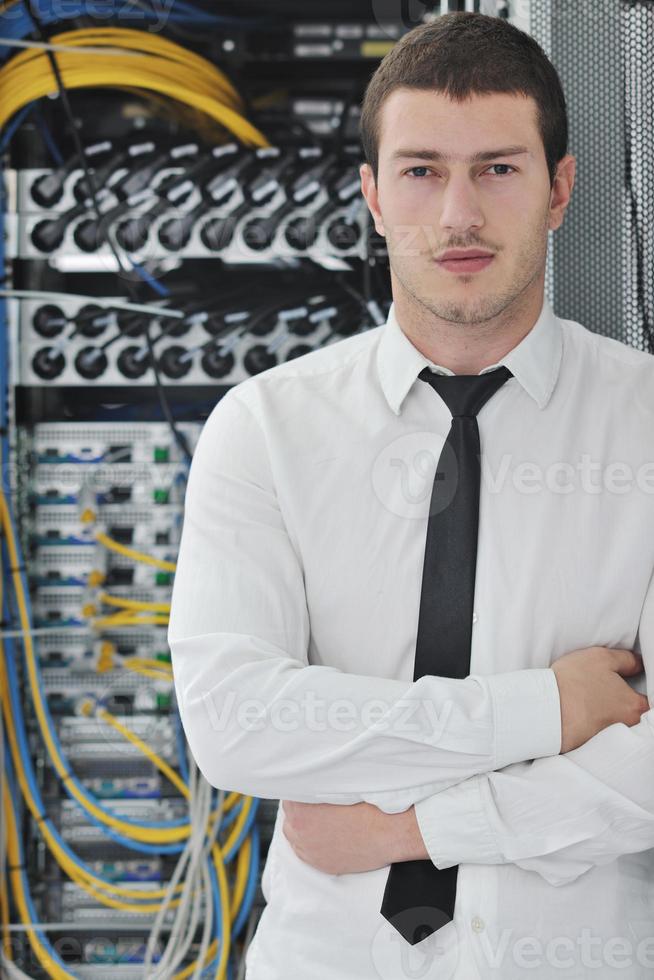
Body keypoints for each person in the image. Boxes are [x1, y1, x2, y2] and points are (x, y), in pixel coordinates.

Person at [168, 11, 654, 980]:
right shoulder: (266, 430)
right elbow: (234, 719)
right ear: (374, 196)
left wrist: (414, 825)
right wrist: (545, 710)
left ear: (560, 189)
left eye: (499, 169)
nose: (459, 215)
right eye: (423, 170)